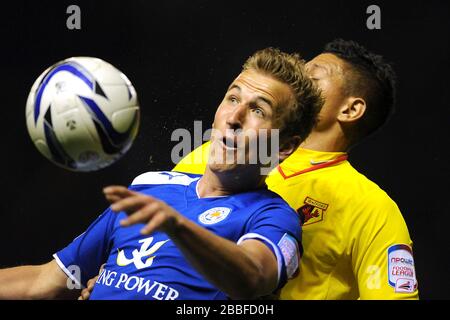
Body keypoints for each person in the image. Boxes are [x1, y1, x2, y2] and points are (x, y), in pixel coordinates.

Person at [0, 48, 323, 300]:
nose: (234, 116)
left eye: (258, 110)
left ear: (283, 147)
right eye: (233, 97)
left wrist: (177, 226)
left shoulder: (272, 217)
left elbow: (251, 280)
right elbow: (48, 281)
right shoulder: (150, 187)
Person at [171, 39, 419, 299]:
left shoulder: (371, 207)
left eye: (312, 77)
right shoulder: (215, 153)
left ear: (350, 109)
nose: (297, 81)